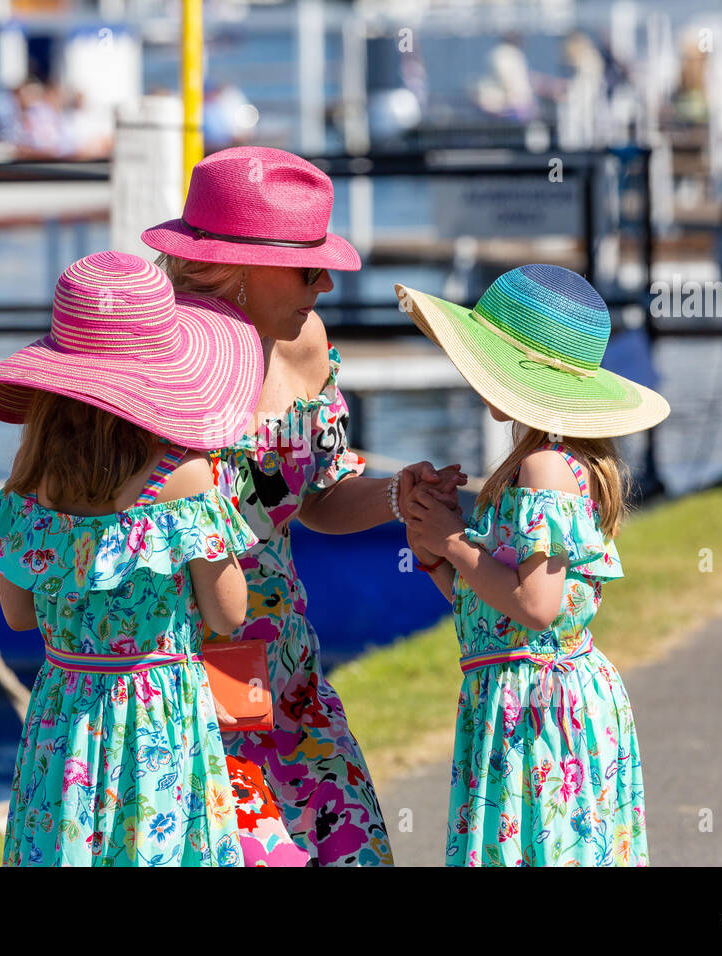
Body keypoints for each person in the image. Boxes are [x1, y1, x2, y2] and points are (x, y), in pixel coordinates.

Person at [141, 146, 466, 866]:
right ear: (234, 265)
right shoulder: (156, 357)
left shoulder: (306, 342)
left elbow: (314, 497)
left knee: (351, 852)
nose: (323, 282)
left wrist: (393, 495)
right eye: (305, 266)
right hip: (183, 668)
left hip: (287, 668)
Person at [0, 251, 264, 866]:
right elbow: (229, 614)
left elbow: (17, 614)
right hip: (158, 716)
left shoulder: (33, 485)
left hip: (64, 716)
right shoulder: (182, 479)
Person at [394, 264, 670, 866]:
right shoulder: (546, 462)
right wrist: (436, 550)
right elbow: (499, 610)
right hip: (524, 689)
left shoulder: (544, 467)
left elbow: (537, 608)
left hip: (538, 708)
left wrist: (454, 538)